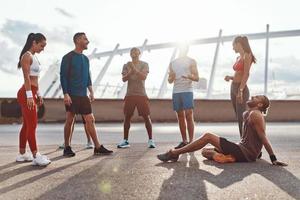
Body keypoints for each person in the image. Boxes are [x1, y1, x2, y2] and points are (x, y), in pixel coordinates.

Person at [157, 95, 288, 166]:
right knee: (205, 151)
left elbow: (263, 137)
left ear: (260, 105)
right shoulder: (248, 113)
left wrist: (273, 158)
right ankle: (227, 158)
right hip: (242, 150)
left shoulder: (256, 115)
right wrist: (257, 153)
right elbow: (250, 137)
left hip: (244, 152)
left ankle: (174, 153)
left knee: (208, 136)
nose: (253, 96)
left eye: (257, 97)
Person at [60, 32, 113, 156]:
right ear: (78, 40)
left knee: (90, 119)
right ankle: (67, 147)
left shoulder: (85, 59)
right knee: (70, 119)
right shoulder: (68, 57)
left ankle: (97, 147)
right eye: (85, 39)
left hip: (83, 96)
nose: (88, 41)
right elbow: (63, 77)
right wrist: (65, 94)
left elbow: (87, 76)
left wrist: (91, 91)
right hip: (71, 94)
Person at [16, 33, 51, 166]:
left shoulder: (34, 57)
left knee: (26, 125)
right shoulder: (26, 56)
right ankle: (36, 155)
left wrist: (39, 94)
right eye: (41, 45)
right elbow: (26, 78)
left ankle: (22, 153)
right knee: (32, 125)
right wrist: (30, 96)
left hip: (32, 92)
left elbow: (35, 78)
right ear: (34, 43)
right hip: (26, 93)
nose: (43, 48)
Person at [117, 47, 156, 148]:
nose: (133, 52)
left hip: (141, 94)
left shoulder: (144, 64)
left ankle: (151, 140)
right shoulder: (126, 65)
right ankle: (125, 141)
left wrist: (133, 69)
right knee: (127, 117)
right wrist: (130, 72)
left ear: (139, 53)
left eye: (136, 51)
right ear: (130, 54)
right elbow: (124, 79)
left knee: (146, 117)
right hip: (130, 95)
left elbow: (144, 77)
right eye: (131, 51)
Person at [168, 45, 199, 149]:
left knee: (189, 115)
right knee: (180, 116)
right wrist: (171, 77)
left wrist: (189, 76)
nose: (183, 49)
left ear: (187, 49)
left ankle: (191, 142)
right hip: (176, 91)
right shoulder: (173, 63)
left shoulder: (191, 61)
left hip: (187, 90)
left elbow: (197, 77)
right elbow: (170, 80)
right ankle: (184, 141)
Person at [225, 36, 256, 137]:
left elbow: (246, 74)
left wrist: (241, 91)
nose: (233, 48)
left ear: (238, 44)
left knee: (242, 117)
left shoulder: (247, 55)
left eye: (233, 46)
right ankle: (244, 140)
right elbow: (238, 74)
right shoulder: (238, 57)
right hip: (233, 87)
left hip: (241, 88)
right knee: (238, 117)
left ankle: (248, 142)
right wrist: (230, 77)